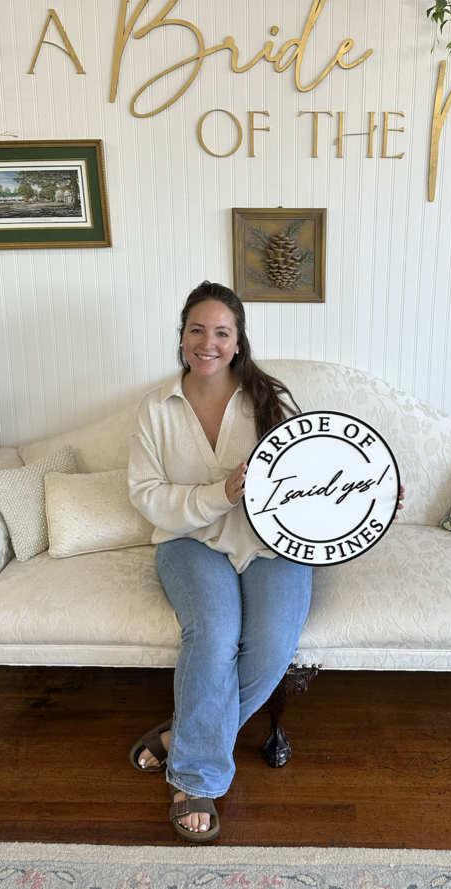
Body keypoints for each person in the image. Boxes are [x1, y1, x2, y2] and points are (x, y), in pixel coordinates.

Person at [126, 280, 311, 842]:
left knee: (275, 644)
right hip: (189, 541)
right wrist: (219, 495)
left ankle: (184, 734)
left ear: (238, 341)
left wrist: (366, 497)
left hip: (272, 541)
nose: (208, 342)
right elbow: (145, 494)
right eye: (197, 330)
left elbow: (312, 471)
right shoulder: (155, 409)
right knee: (213, 635)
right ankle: (195, 776)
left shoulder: (268, 398)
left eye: (221, 332)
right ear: (182, 337)